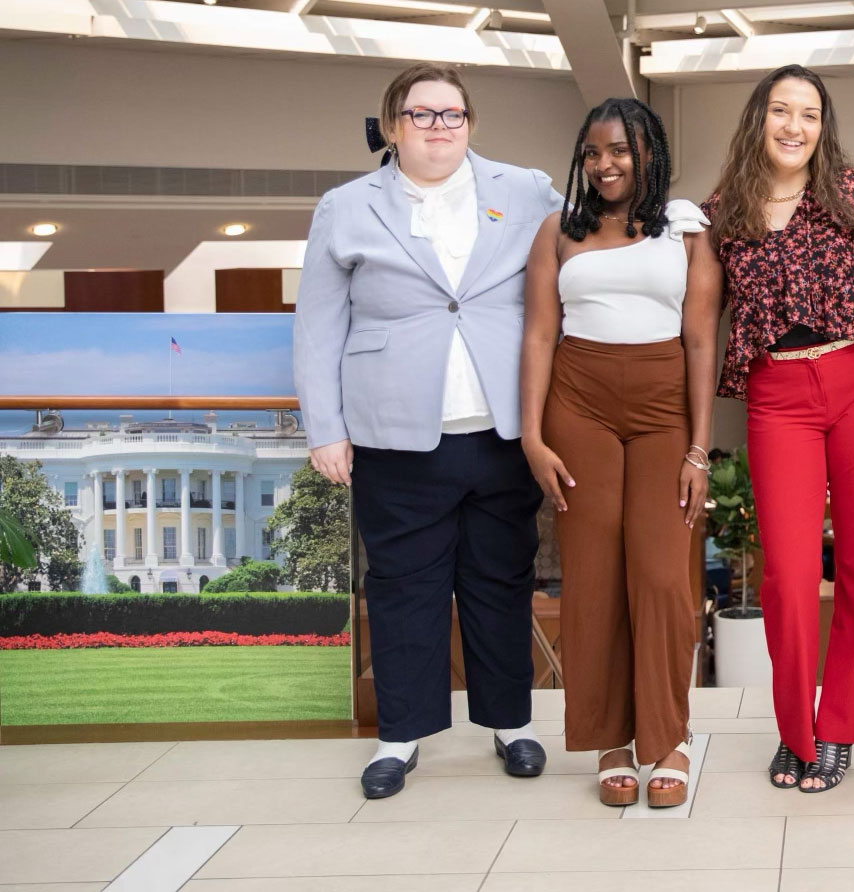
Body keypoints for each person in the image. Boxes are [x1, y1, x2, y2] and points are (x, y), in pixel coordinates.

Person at [293, 63, 565, 799]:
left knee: (502, 580)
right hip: (393, 431)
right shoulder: (345, 207)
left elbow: (601, 235)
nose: (438, 126)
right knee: (403, 587)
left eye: (452, 114)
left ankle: (512, 723)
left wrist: (675, 220)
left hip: (502, 426)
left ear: (470, 122)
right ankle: (399, 736)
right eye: (421, 114)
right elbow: (318, 324)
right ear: (391, 126)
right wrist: (326, 428)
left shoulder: (528, 190)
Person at [701, 64, 854, 793]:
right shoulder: (723, 211)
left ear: (824, 126)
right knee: (787, 575)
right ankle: (796, 732)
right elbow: (699, 317)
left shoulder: (848, 191)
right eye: (781, 111)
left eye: (809, 113)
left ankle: (842, 724)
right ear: (759, 120)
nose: (795, 126)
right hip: (777, 395)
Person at [519, 98, 723, 808]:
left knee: (663, 572)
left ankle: (668, 735)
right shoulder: (557, 232)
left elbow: (702, 341)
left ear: (650, 154)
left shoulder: (687, 230)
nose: (606, 165)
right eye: (594, 152)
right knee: (595, 572)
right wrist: (531, 434)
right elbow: (540, 335)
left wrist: (699, 450)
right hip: (578, 404)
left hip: (664, 406)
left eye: (621, 151)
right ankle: (612, 738)